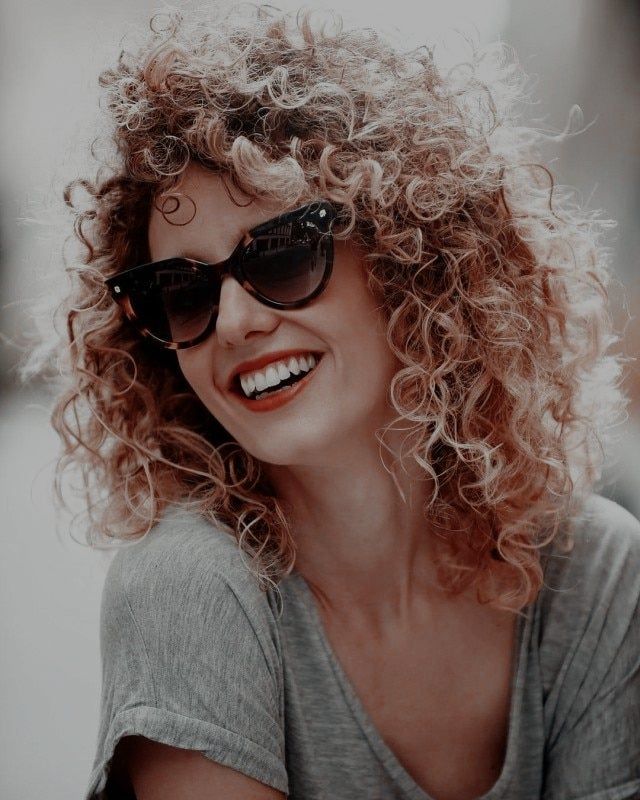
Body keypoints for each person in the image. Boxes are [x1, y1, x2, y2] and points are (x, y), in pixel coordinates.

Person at [45, 3, 639, 799]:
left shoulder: (592, 573)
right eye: (181, 293)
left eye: (282, 256)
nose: (236, 322)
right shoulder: (190, 589)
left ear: (410, 260)